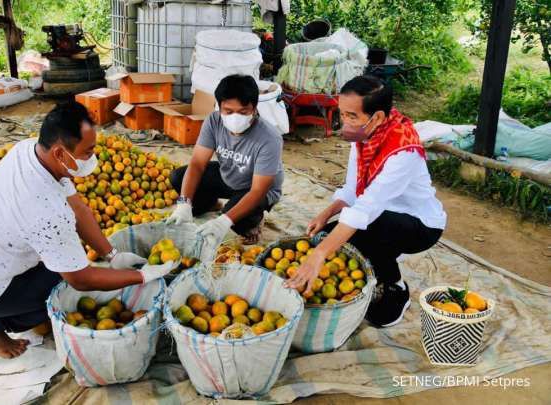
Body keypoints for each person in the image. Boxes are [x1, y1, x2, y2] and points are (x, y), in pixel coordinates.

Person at [0, 103, 173, 358]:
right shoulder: (47, 211)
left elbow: (79, 209)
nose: (93, 157)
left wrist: (111, 255)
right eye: (88, 151)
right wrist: (140, 276)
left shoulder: (28, 151)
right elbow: (81, 280)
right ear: (61, 152)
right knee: (57, 290)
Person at [285, 75, 447, 327]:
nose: (344, 122)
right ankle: (377, 257)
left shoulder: (403, 151)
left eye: (352, 116)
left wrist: (318, 256)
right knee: (330, 234)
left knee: (357, 231)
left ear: (378, 117)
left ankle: (395, 287)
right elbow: (352, 189)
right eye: (342, 113)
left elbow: (365, 208)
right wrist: (326, 214)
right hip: (379, 215)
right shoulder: (365, 136)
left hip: (420, 227)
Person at [166, 74, 284, 245]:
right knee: (178, 178)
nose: (235, 117)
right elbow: (198, 164)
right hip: (229, 174)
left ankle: (255, 219)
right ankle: (211, 203)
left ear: (255, 108)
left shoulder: (269, 137)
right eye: (228, 111)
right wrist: (184, 204)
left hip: (256, 189)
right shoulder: (214, 121)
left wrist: (225, 221)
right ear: (219, 107)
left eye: (243, 112)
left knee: (237, 224)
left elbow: (258, 190)